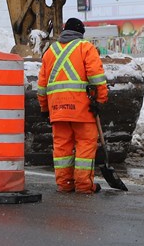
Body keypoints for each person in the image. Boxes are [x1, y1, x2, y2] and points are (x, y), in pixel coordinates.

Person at [38, 17, 109, 194]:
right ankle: (84, 185)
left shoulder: (50, 52)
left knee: (62, 149)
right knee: (85, 145)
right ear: (81, 33)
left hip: (58, 110)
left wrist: (44, 108)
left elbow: (42, 85)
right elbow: (97, 78)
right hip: (82, 109)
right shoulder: (85, 48)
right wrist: (100, 101)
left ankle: (65, 184)